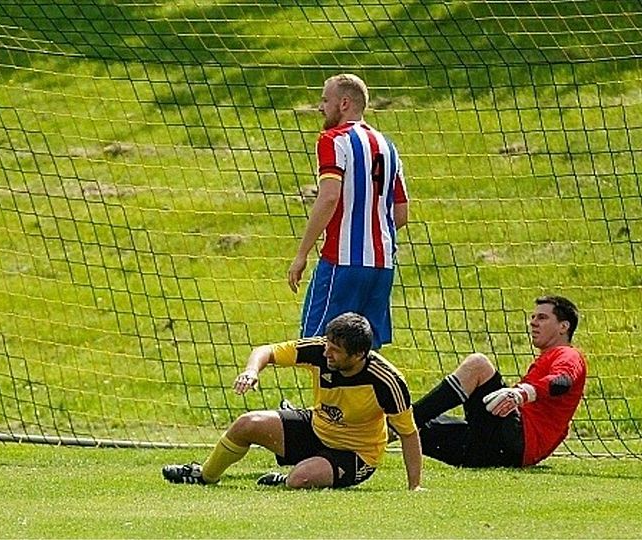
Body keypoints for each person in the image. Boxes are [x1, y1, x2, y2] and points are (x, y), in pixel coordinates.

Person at [162, 312, 423, 490]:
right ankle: (204, 475)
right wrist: (252, 371)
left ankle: (288, 478)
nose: (327, 353)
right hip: (316, 428)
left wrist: (415, 486)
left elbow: (408, 434)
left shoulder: (387, 381)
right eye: (328, 344)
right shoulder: (320, 351)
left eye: (335, 350)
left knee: (301, 479)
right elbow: (266, 351)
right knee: (246, 424)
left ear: (359, 354)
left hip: (356, 455)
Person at [288, 73, 409, 347]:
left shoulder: (333, 139)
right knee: (362, 352)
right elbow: (401, 213)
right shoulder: (388, 147)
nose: (320, 107)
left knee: (319, 347)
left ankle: (324, 392)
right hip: (382, 266)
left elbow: (329, 197)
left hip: (342, 263)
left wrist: (302, 253)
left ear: (343, 104)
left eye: (325, 100)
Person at [412, 295, 587, 468]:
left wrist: (521, 393)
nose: (533, 322)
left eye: (542, 317)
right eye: (533, 317)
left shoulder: (568, 354)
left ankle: (401, 419)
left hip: (516, 443)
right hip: (495, 452)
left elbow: (562, 382)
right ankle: (392, 426)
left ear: (563, 327)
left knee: (478, 364)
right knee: (417, 427)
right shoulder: (545, 358)